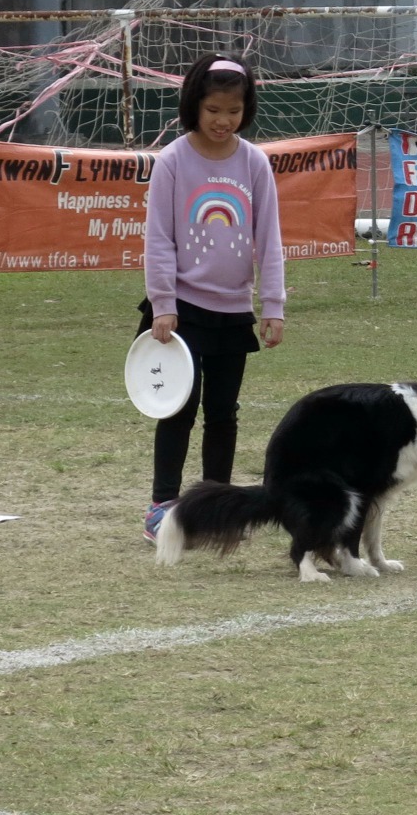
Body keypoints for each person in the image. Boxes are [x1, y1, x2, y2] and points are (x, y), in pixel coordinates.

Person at [138, 52, 285, 543]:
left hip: (232, 310)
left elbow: (270, 237)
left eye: (234, 111)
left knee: (223, 413)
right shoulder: (174, 160)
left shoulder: (254, 162)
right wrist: (163, 304)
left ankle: (216, 506)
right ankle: (163, 506)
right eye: (214, 110)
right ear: (194, 105)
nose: (223, 121)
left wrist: (273, 305)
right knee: (178, 408)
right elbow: (158, 237)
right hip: (182, 312)